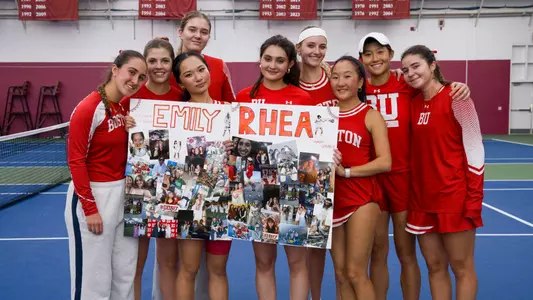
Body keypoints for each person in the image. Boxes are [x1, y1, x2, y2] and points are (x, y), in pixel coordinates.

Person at [357, 32, 471, 300]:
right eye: (368, 53)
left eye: (380, 51)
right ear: (361, 59)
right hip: (372, 179)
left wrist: (458, 86)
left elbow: (435, 85)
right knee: (377, 251)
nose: (375, 58)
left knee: (406, 252)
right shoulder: (359, 89)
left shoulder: (407, 85)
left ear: (390, 53)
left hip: (404, 180)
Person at [401, 44, 484, 300]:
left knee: (462, 267)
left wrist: (473, 199)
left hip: (454, 198)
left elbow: (475, 151)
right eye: (405, 70)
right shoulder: (413, 104)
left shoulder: (458, 97)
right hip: (422, 200)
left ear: (432, 64)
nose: (411, 73)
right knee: (435, 267)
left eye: (416, 66)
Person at [235, 34, 313, 300]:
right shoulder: (244, 97)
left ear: (290, 64)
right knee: (264, 263)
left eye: (280, 60)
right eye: (267, 58)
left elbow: (314, 146)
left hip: (293, 187)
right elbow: (238, 147)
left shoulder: (304, 98)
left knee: (296, 263)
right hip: (257, 189)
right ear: (260, 61)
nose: (272, 65)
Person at [64, 50, 147, 300]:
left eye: (141, 77)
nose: (135, 80)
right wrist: (90, 209)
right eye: (131, 72)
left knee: (124, 274)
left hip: (125, 194)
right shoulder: (89, 107)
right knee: (94, 280)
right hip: (95, 196)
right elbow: (76, 160)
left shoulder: (123, 109)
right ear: (115, 70)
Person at [121, 37, 182, 300]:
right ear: (146, 64)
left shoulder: (183, 96)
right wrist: (124, 124)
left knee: (169, 263)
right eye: (153, 61)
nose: (159, 66)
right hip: (138, 189)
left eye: (165, 61)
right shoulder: (130, 99)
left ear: (172, 63)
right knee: (135, 265)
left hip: (173, 191)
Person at [329, 55, 391, 300]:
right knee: (340, 273)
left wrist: (346, 171)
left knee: (356, 272)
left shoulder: (370, 115)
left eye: (347, 76)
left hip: (362, 197)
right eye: (335, 77)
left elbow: (385, 162)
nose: (340, 82)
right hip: (332, 199)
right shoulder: (324, 115)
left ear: (360, 82)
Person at [294, 25, 335, 300]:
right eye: (310, 46)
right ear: (298, 49)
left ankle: (317, 295)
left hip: (335, 169)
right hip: (303, 170)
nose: (316, 52)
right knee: (307, 244)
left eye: (321, 46)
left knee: (322, 245)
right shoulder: (289, 82)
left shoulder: (335, 80)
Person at [171, 10, 235, 103]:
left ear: (208, 37)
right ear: (180, 32)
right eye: (192, 30)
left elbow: (231, 105)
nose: (198, 36)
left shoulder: (219, 65)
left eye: (204, 32)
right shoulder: (168, 69)